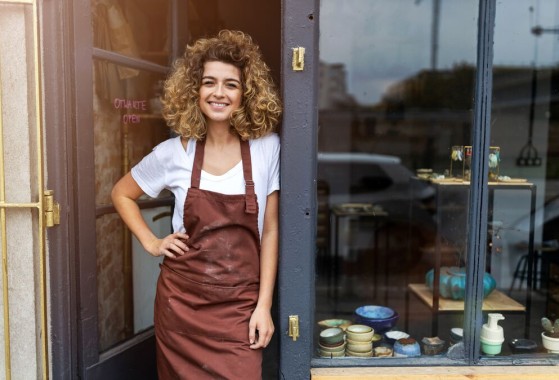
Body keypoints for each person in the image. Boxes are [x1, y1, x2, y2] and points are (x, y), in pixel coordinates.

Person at [111, 30, 282, 379]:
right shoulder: (174, 153)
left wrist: (264, 306)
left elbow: (271, 230)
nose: (219, 93)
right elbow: (121, 193)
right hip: (182, 306)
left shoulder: (267, 147)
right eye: (209, 82)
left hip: (239, 306)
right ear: (195, 90)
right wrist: (152, 242)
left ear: (246, 93)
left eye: (231, 84)